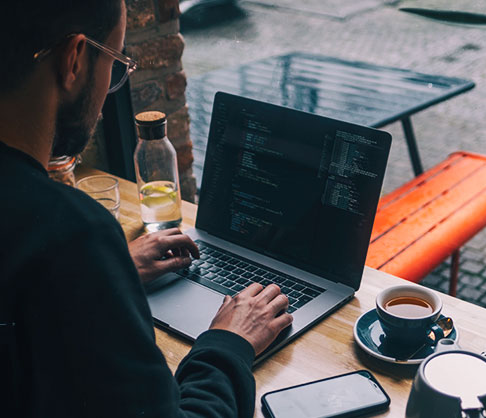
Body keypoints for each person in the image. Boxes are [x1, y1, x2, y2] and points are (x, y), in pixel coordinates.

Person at [0, 1, 293, 416]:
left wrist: (110, 272)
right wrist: (230, 343)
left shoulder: (58, 246)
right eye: (116, 64)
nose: (107, 95)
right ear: (75, 59)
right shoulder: (71, 235)